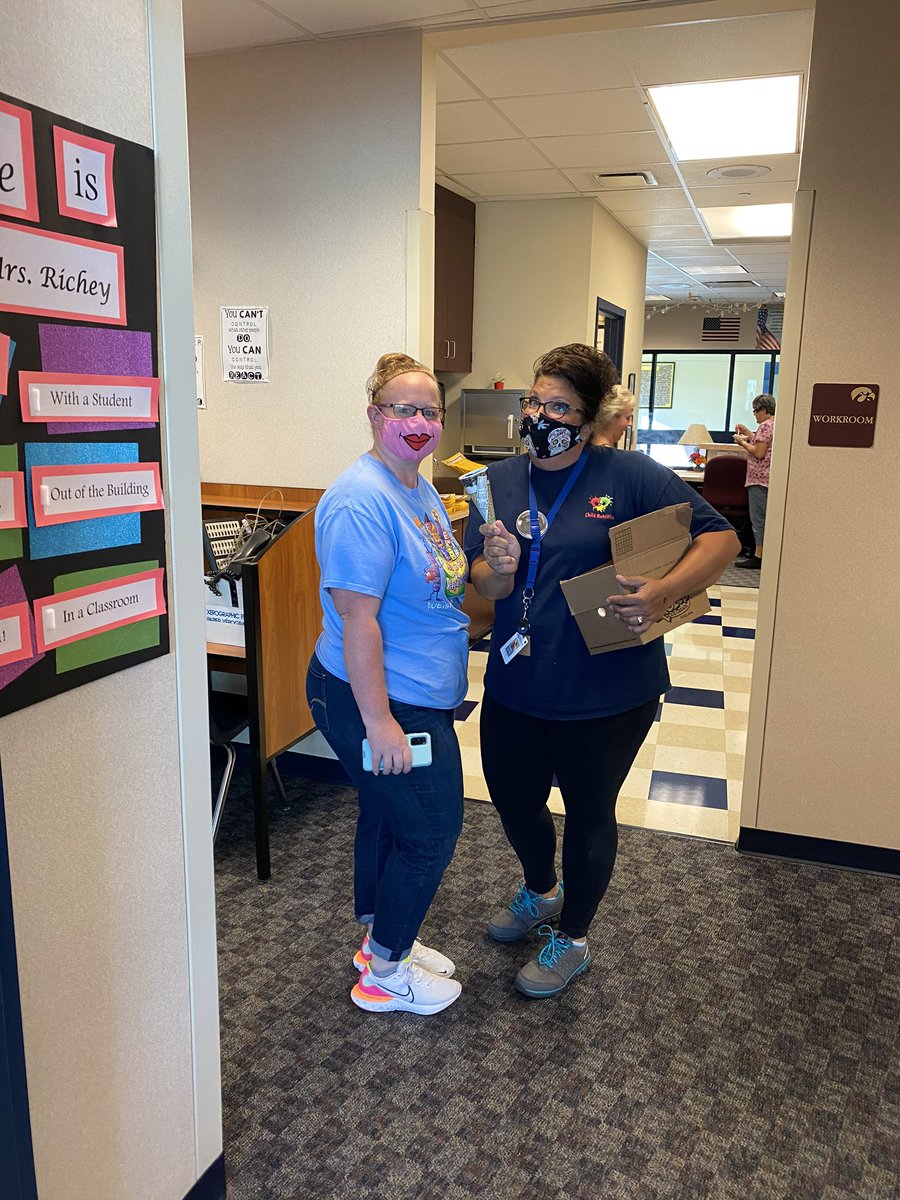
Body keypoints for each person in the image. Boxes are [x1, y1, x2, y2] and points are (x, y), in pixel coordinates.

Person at [465, 344, 739, 999]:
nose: (540, 415)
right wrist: (495, 569)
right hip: (518, 682)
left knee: (590, 812)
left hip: (608, 690)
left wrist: (661, 593)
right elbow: (485, 591)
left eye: (558, 406)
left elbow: (721, 538)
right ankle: (541, 890)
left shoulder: (630, 474)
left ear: (587, 422)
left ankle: (574, 939)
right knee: (512, 797)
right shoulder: (496, 481)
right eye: (534, 401)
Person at [306, 352, 469, 1016]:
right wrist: (381, 724)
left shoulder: (416, 484)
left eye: (430, 410)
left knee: (389, 817)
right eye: (404, 409)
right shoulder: (360, 500)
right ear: (376, 415)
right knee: (429, 828)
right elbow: (358, 619)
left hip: (412, 695)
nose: (420, 422)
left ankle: (381, 939)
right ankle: (384, 975)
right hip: (376, 700)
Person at [733, 393, 776, 569]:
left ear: (764, 410)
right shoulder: (774, 424)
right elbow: (761, 443)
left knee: (758, 520)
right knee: (765, 518)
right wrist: (748, 434)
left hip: (759, 479)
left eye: (755, 411)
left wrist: (741, 442)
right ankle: (764, 554)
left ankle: (758, 556)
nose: (754, 414)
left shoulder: (765, 426)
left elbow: (758, 452)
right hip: (768, 479)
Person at [593, 383, 635, 448]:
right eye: (627, 418)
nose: (630, 423)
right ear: (612, 417)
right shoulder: (609, 456)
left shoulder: (583, 451)